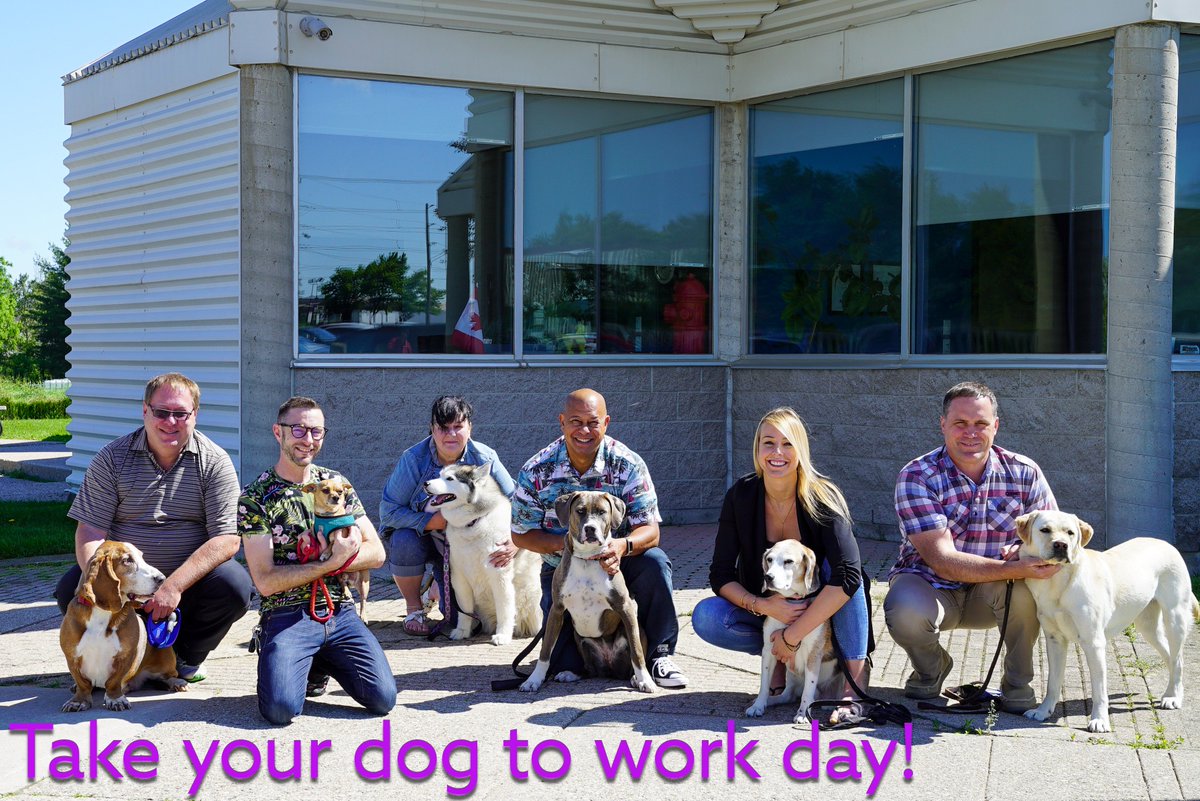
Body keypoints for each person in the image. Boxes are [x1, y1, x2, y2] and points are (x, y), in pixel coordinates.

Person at [54, 372, 253, 682]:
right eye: (161, 412)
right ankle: (106, 665)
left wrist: (172, 587)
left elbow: (227, 540)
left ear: (195, 415)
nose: (170, 421)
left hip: (187, 583)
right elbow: (90, 533)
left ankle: (184, 658)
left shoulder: (215, 462)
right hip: (127, 580)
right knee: (72, 587)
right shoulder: (111, 459)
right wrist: (108, 584)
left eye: (180, 413)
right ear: (145, 410)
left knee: (235, 586)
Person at [884, 381, 1061, 713]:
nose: (970, 433)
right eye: (960, 423)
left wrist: (1021, 553)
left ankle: (1017, 686)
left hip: (996, 592)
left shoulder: (1025, 473)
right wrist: (1015, 566)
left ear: (995, 426)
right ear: (943, 425)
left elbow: (1051, 543)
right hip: (931, 586)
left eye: (980, 423)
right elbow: (942, 560)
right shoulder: (917, 476)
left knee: (1025, 593)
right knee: (903, 609)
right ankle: (932, 670)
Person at [510, 388, 688, 688]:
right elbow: (521, 534)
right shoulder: (537, 469)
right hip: (562, 566)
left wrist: (621, 545)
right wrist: (571, 547)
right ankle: (570, 655)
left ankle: (658, 655)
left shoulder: (627, 464)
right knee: (565, 667)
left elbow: (651, 530)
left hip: (617, 562)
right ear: (562, 422)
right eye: (575, 422)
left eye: (593, 422)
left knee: (655, 563)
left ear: (606, 423)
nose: (584, 430)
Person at [693, 407, 870, 707]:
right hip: (768, 607)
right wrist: (764, 606)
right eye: (768, 443)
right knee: (707, 617)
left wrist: (794, 635)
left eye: (788, 444)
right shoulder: (741, 496)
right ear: (757, 449)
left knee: (842, 574)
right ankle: (778, 666)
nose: (778, 452)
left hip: (824, 610)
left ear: (801, 449)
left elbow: (849, 575)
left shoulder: (824, 497)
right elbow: (720, 574)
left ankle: (855, 688)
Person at [238, 396, 396, 725]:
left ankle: (318, 661)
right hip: (286, 615)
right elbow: (265, 581)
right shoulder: (256, 497)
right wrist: (330, 563)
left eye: (316, 431)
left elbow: (377, 552)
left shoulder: (336, 483)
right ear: (277, 432)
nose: (307, 439)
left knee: (383, 699)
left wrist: (338, 561)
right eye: (298, 429)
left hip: (340, 611)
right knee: (280, 710)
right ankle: (289, 661)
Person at [379, 395, 516, 636]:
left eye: (457, 427)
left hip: (464, 549)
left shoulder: (485, 458)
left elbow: (516, 501)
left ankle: (436, 588)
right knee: (403, 540)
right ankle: (414, 607)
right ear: (432, 429)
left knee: (461, 623)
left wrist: (515, 541)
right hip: (425, 538)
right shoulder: (413, 459)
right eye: (443, 428)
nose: (450, 434)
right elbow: (388, 511)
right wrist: (433, 522)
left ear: (469, 428)